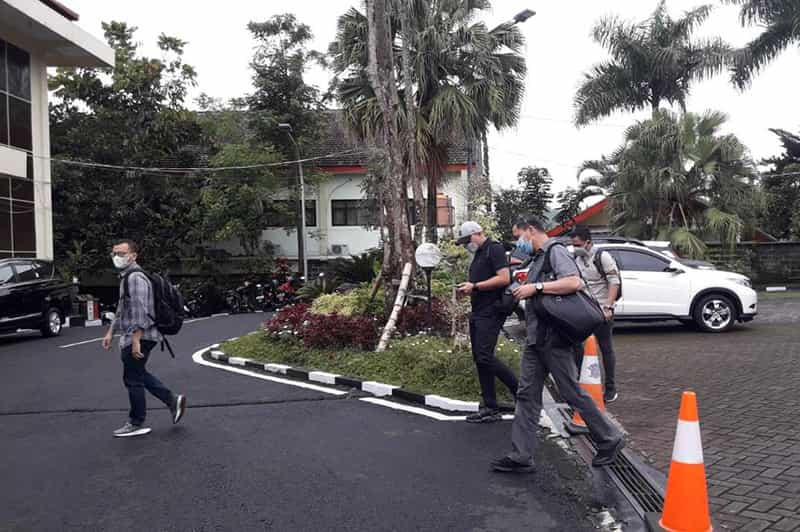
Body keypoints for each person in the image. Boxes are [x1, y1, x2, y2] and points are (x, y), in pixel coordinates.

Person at [491, 218, 624, 473]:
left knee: (571, 391)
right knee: (527, 395)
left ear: (531, 231)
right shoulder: (537, 258)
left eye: (518, 236)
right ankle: (521, 455)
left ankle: (610, 438)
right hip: (536, 339)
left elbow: (574, 282)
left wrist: (537, 287)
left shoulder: (555, 251)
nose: (518, 242)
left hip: (554, 339)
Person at [102, 239, 186, 437]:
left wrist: (136, 339)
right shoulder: (127, 277)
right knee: (137, 374)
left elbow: (143, 310)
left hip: (142, 334)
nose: (117, 257)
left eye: (121, 253)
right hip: (137, 334)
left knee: (132, 378)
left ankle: (136, 422)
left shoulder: (135, 278)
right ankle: (172, 400)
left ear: (133, 256)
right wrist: (111, 332)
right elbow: (122, 308)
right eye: (114, 253)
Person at [456, 221, 519, 423]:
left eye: (466, 240)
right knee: (480, 358)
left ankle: (520, 391)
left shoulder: (495, 249)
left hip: (491, 311)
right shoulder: (479, 254)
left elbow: (504, 278)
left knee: (484, 356)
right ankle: (490, 406)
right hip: (478, 311)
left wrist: (474, 286)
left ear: (477, 234)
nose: (466, 245)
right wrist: (469, 288)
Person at [570, 226, 621, 403]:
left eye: (578, 244)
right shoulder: (576, 258)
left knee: (605, 348)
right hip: (583, 310)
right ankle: (580, 384)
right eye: (573, 244)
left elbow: (614, 282)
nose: (575, 248)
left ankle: (610, 388)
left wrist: (608, 307)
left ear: (588, 242)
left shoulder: (602, 257)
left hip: (601, 311)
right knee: (578, 347)